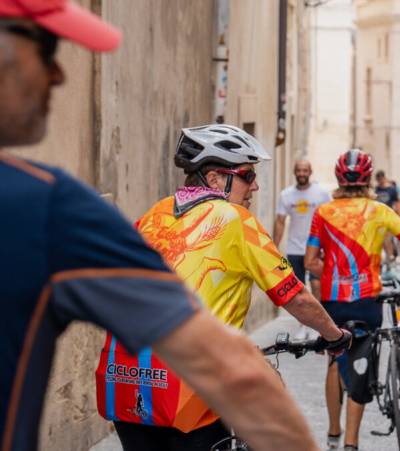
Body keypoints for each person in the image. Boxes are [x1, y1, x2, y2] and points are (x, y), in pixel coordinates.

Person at [0, 2, 317, 450]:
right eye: (47, 48)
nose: (59, 75)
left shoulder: (151, 214)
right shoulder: (46, 205)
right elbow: (232, 361)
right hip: (186, 403)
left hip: (127, 395)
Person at [100, 125, 350, 450]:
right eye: (247, 174)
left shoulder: (153, 214)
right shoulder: (234, 219)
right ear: (216, 179)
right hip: (191, 384)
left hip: (125, 379)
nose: (255, 185)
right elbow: (297, 297)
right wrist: (335, 336)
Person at [306, 149, 400, 451]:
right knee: (361, 362)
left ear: (338, 177)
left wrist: (334, 272)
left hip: (333, 300)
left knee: (335, 360)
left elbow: (310, 261)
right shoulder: (379, 210)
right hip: (367, 301)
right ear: (368, 178)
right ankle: (351, 443)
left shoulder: (323, 212)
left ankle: (332, 433)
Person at [274, 159, 332, 338]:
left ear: (310, 171)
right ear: (294, 172)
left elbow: (330, 219)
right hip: (294, 248)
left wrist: (328, 246)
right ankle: (302, 325)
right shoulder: (286, 195)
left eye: (305, 170)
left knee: (316, 285)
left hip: (316, 249)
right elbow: (280, 222)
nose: (302, 173)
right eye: (299, 170)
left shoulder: (321, 193)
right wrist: (274, 249)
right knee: (298, 291)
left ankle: (317, 326)